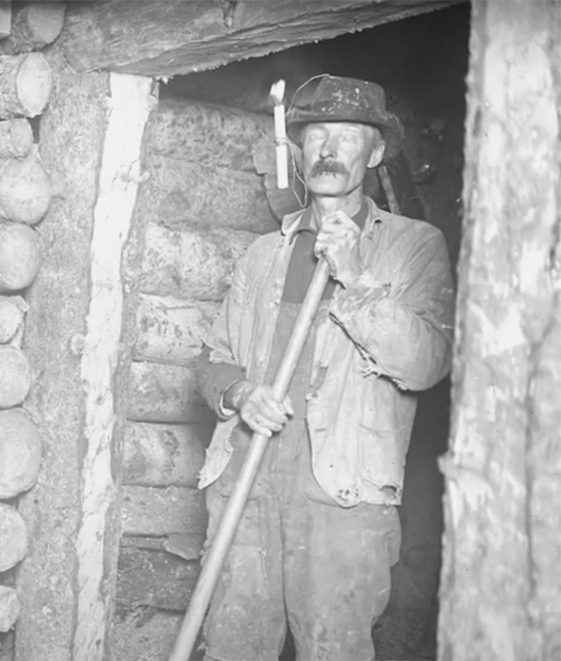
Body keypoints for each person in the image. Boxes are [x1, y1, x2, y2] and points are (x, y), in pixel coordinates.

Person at [194, 75, 456, 660]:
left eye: (347, 137)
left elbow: (427, 363)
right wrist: (241, 394)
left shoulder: (414, 247)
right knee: (235, 647)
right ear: (298, 152)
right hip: (247, 484)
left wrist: (356, 277)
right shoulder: (265, 254)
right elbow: (212, 361)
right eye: (316, 137)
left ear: (377, 152)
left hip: (344, 498)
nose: (329, 151)